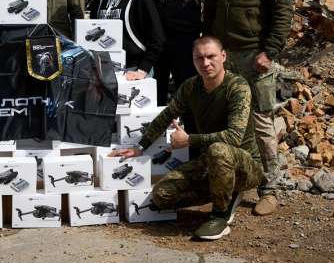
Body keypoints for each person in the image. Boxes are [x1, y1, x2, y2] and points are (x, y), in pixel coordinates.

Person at [111, 36, 264, 240]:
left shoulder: (237, 87)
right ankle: (225, 191)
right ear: (193, 60)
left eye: (211, 56)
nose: (206, 63)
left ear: (223, 56)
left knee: (218, 150)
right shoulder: (191, 86)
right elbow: (167, 115)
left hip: (245, 166)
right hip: (211, 163)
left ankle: (220, 215)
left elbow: (234, 137)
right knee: (162, 195)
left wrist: (189, 140)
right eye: (199, 58)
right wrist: (140, 146)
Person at [204, 0, 293, 216]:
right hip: (224, 57)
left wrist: (270, 52)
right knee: (228, 123)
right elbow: (210, 10)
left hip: (255, 57)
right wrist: (210, 48)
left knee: (261, 124)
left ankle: (270, 189)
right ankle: (234, 185)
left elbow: (283, 12)